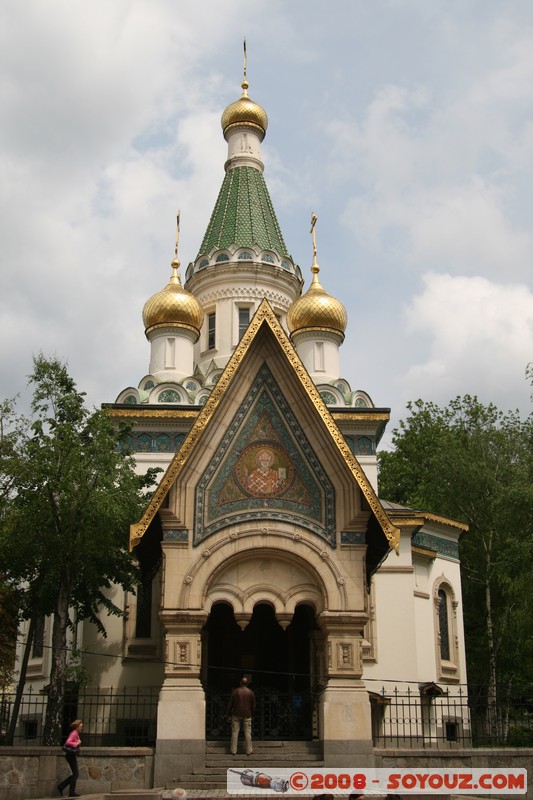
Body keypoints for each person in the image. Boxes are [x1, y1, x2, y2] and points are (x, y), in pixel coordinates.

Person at [227, 676, 256, 756]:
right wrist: (252, 714)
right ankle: (249, 750)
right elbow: (253, 706)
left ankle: (233, 750)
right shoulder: (251, 692)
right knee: (248, 733)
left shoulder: (235, 691)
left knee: (235, 732)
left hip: (236, 714)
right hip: (247, 715)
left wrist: (229, 714)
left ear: (240, 683)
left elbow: (230, 704)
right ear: (247, 684)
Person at [57, 719, 83, 797]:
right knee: (76, 774)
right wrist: (76, 743)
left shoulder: (75, 733)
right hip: (70, 755)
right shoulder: (74, 733)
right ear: (77, 727)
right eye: (81, 727)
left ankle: (61, 786)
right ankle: (71, 792)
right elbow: (68, 742)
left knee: (75, 774)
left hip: (71, 755)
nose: (82, 728)